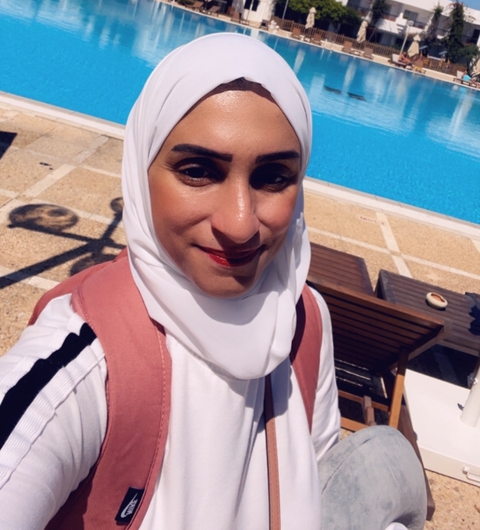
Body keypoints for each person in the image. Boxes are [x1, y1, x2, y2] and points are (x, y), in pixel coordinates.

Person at [0, 33, 426, 529]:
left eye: (273, 177)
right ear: (141, 173)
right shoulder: (85, 363)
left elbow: (313, 472)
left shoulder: (304, 320)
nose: (240, 224)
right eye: (198, 171)